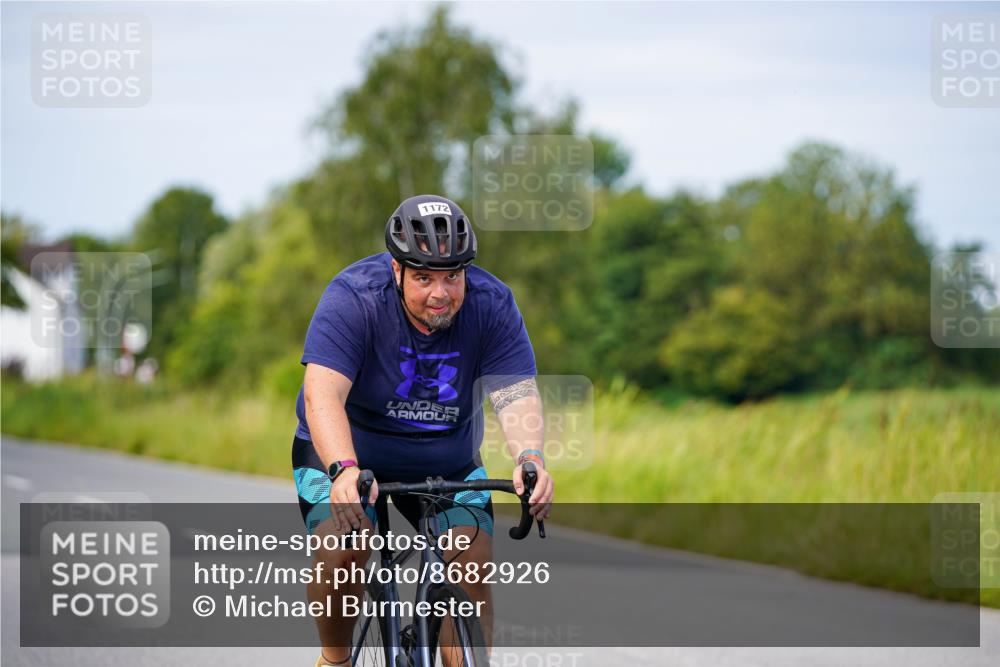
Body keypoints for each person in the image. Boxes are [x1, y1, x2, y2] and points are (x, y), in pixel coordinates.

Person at [291, 194, 554, 666]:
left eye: (453, 275)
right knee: (344, 550)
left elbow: (514, 393)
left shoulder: (492, 304)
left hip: (447, 460)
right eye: (424, 277)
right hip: (350, 454)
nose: (441, 292)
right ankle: (335, 659)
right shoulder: (354, 297)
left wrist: (529, 458)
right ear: (396, 270)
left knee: (470, 564)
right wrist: (343, 469)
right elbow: (322, 395)